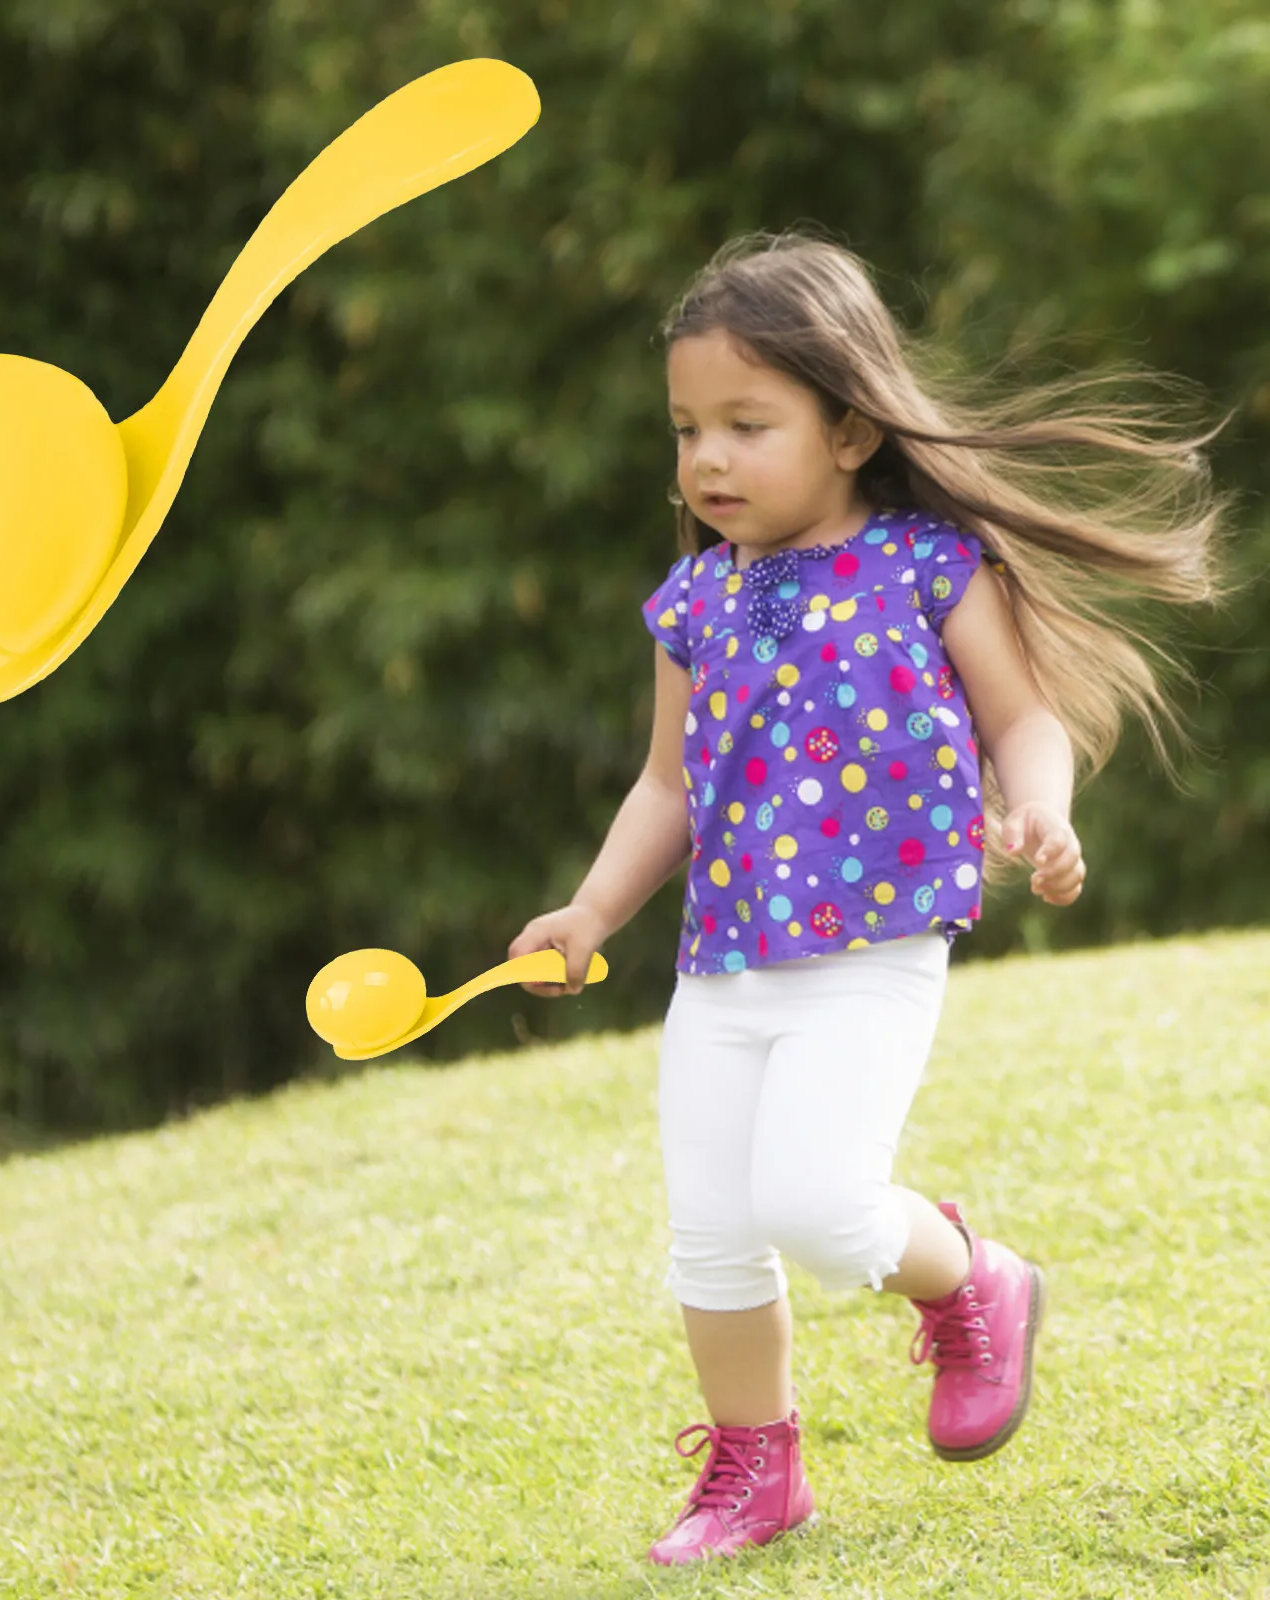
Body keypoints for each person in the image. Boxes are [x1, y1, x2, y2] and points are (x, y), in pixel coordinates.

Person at [507, 227, 1241, 1565]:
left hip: (872, 950)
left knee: (818, 1204)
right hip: (722, 964)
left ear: (850, 429)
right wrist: (592, 911)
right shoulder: (693, 604)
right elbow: (665, 787)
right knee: (714, 1236)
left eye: (746, 423)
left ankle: (976, 1278)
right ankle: (756, 1472)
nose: (707, 459)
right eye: (686, 430)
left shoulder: (926, 565)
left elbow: (1024, 719)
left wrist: (1044, 808)